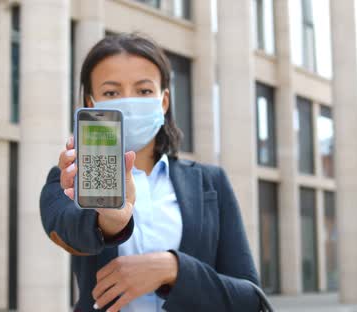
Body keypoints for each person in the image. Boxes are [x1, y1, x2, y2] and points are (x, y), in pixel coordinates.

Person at [40, 33, 261, 312]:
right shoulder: (68, 178)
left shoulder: (210, 182)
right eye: (111, 92)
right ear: (91, 102)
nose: (129, 102)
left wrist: (172, 269)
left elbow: (250, 299)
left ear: (164, 101)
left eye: (144, 91)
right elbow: (69, 232)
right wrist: (110, 222)